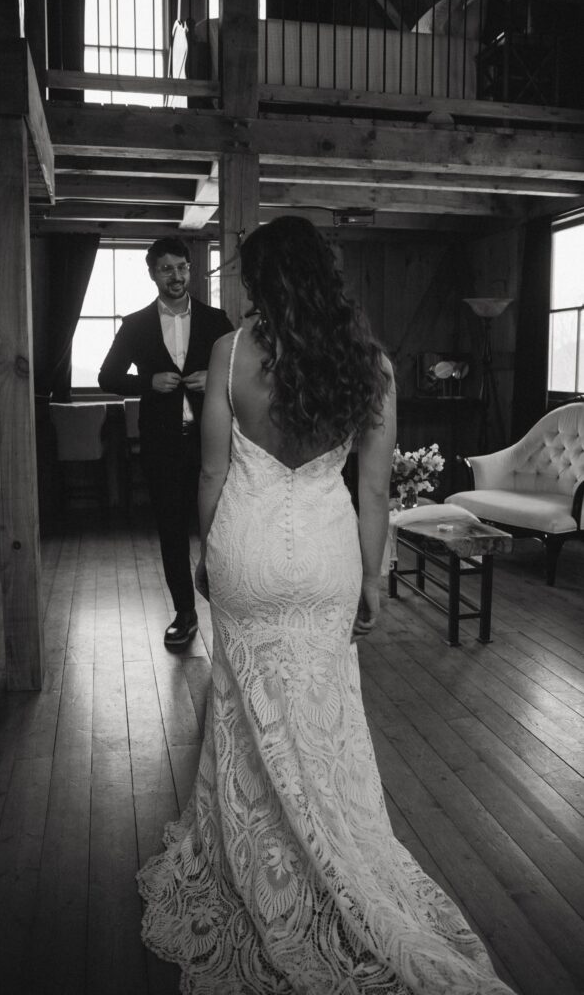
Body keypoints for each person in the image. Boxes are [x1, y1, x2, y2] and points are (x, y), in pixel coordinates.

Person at [137, 217, 517, 994]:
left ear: (263, 283)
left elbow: (211, 476)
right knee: (324, 712)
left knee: (245, 705)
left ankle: (256, 854)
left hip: (245, 550)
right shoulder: (369, 365)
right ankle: (331, 848)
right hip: (322, 556)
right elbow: (373, 489)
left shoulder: (230, 353)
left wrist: (209, 557)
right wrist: (373, 577)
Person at [98, 236, 233, 648]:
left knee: (225, 527)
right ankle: (185, 612)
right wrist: (147, 382)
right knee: (172, 529)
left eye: (182, 267)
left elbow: (242, 372)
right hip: (161, 443)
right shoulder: (135, 324)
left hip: (214, 441)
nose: (176, 276)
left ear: (190, 270)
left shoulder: (216, 319)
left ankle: (230, 611)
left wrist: (214, 377)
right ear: (152, 272)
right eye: (166, 268)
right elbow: (107, 376)